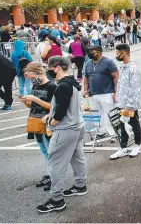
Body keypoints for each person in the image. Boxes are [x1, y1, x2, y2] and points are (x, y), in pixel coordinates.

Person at [36, 56, 86, 213]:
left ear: (57, 67)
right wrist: (51, 115)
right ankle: (80, 185)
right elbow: (66, 106)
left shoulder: (63, 86)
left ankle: (57, 200)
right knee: (77, 157)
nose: (48, 71)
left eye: (49, 68)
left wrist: (51, 122)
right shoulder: (73, 82)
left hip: (66, 129)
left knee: (56, 163)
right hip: (77, 126)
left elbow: (61, 113)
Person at [20, 63, 57, 191]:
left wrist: (35, 99)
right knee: (44, 151)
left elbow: (53, 107)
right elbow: (33, 106)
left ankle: (54, 177)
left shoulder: (52, 86)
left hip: (46, 123)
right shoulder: (36, 85)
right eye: (30, 79)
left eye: (32, 77)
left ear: (39, 73)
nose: (31, 81)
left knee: (50, 151)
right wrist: (26, 102)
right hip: (35, 121)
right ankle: (50, 174)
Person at [109, 44, 141, 160]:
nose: (116, 56)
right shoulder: (123, 67)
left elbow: (134, 88)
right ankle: (123, 148)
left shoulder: (132, 69)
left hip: (130, 104)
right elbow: (122, 85)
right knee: (122, 125)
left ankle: (137, 145)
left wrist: (130, 106)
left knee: (134, 124)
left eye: (118, 54)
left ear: (124, 53)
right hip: (122, 102)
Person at [84, 45, 119, 140]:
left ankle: (114, 133)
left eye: (92, 51)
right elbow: (86, 77)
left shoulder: (108, 62)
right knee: (96, 114)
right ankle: (101, 131)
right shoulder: (88, 63)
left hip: (107, 93)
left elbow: (116, 76)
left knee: (110, 114)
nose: (90, 53)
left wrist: (116, 92)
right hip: (93, 94)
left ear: (99, 52)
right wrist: (86, 89)